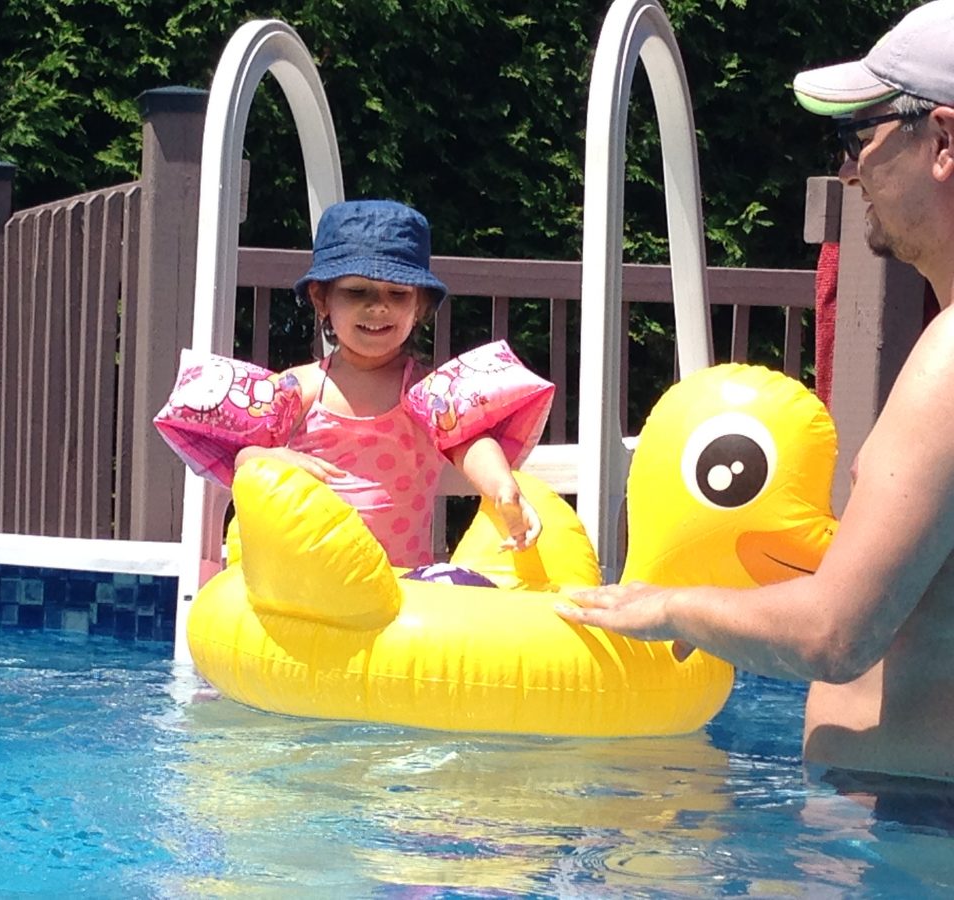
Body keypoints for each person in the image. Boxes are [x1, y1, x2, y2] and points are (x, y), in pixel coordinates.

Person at [558, 0, 954, 783]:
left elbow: (833, 635)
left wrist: (670, 606)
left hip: (905, 824)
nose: (849, 170)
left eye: (860, 135)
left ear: (943, 141)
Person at [155, 199, 556, 569]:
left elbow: (468, 442)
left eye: (397, 294)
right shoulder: (300, 388)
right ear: (322, 299)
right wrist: (268, 458)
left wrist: (502, 487)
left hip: (399, 585)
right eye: (357, 292)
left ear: (419, 306)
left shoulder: (428, 393)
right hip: (310, 582)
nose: (378, 307)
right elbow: (242, 458)